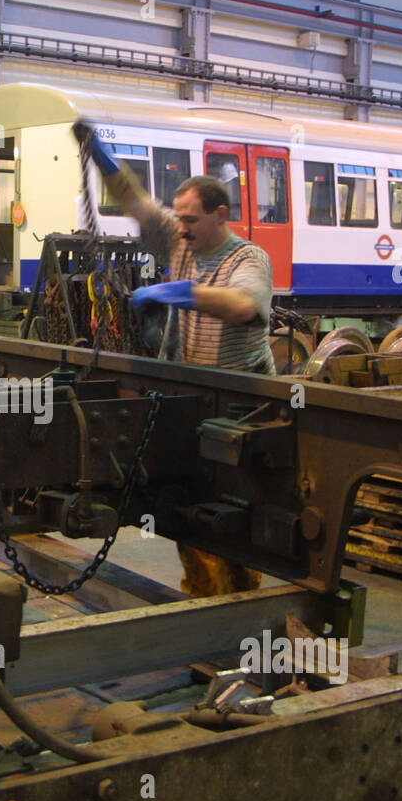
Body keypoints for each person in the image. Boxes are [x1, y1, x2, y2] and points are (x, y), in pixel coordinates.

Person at [75, 123, 272, 596]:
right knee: (191, 515)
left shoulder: (248, 259)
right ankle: (207, 605)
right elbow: (138, 202)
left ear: (220, 215)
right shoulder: (180, 239)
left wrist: (180, 293)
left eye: (190, 219)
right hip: (189, 396)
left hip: (239, 405)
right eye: (178, 218)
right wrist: (101, 159)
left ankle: (242, 607)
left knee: (230, 519)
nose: (179, 227)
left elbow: (246, 306)